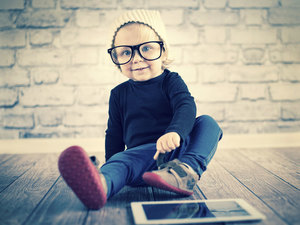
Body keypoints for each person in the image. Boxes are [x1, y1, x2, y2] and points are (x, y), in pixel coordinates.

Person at [58, 9, 223, 210]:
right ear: (116, 58)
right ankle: (101, 184)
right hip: (139, 160)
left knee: (207, 122)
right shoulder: (118, 94)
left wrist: (175, 132)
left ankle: (186, 172)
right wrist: (112, 163)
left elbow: (185, 106)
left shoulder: (171, 81)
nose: (136, 58)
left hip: (176, 156)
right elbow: (114, 134)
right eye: (126, 52)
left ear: (163, 51)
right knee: (120, 161)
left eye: (146, 48)